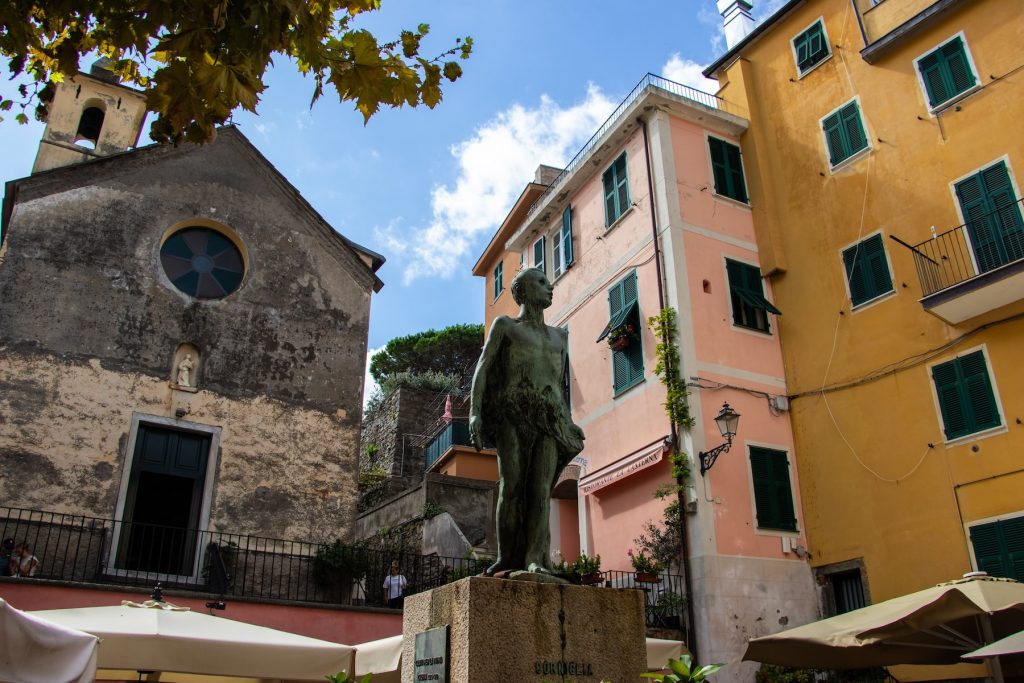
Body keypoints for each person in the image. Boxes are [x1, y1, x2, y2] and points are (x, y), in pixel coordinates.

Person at [469, 267, 585, 576]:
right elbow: (483, 367)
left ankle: (535, 558)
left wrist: (568, 421)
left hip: (549, 416)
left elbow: (560, 384)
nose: (550, 288)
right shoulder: (506, 326)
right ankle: (507, 557)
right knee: (512, 486)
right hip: (512, 412)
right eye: (542, 282)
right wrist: (475, 412)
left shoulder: (561, 336)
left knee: (540, 489)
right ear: (523, 291)